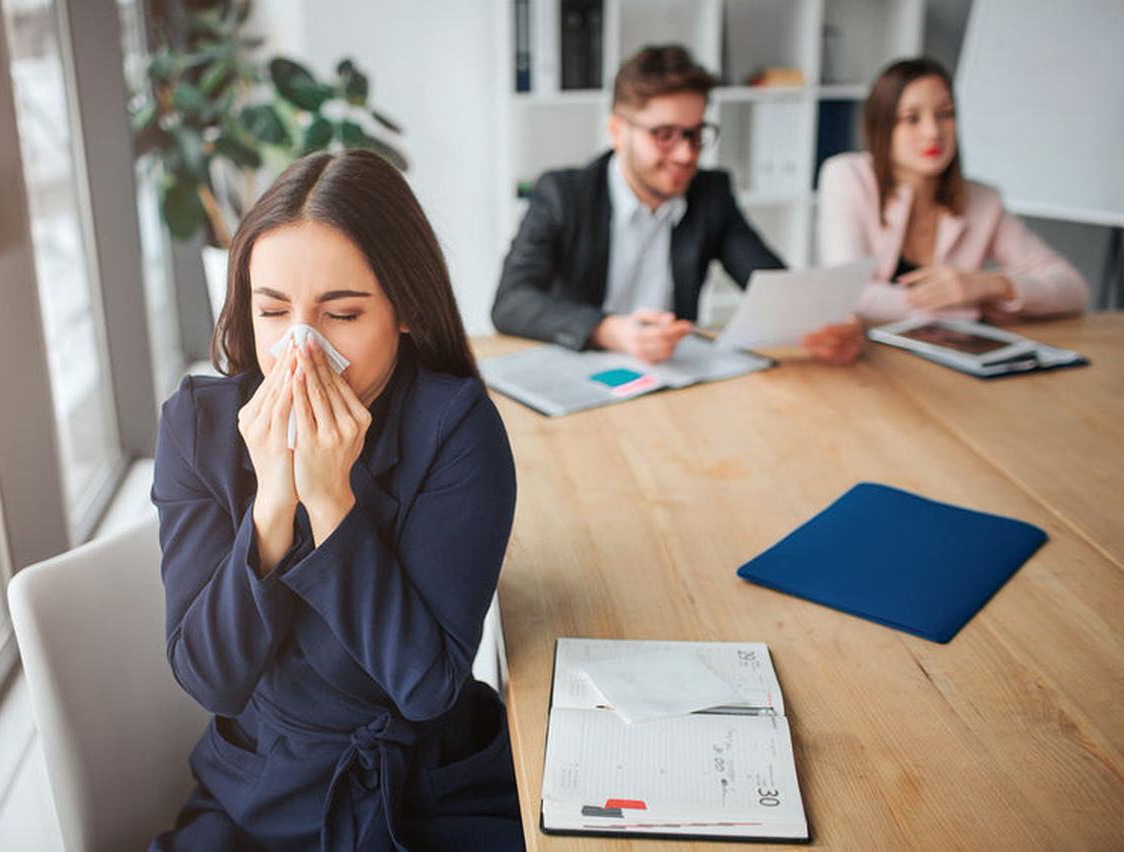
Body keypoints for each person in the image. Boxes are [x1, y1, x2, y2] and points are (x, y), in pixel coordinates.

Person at [150, 150, 523, 851]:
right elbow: (209, 678)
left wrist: (331, 503)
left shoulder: (457, 429)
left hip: (423, 790)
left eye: (342, 313)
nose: (301, 349)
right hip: (258, 788)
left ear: (407, 309)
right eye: (271, 311)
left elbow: (426, 687)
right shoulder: (197, 426)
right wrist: (271, 508)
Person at [492, 44, 863, 366]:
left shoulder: (711, 193)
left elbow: (771, 285)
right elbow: (510, 302)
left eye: (695, 133)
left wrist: (825, 323)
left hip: (672, 372)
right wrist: (609, 330)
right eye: (664, 135)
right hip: (581, 369)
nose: (686, 155)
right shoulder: (563, 193)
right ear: (618, 131)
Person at [816, 57, 1088, 324]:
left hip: (949, 354)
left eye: (944, 114)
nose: (933, 131)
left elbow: (1073, 289)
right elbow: (848, 293)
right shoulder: (846, 176)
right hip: (871, 356)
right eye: (911, 118)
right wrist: (970, 311)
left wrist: (992, 284)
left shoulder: (983, 200)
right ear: (882, 127)